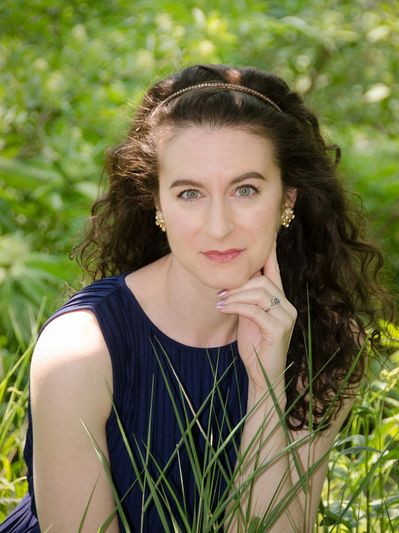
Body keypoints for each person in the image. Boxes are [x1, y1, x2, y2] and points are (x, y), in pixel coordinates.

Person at [0, 64, 395, 532]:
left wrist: (267, 382)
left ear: (288, 199)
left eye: (245, 189)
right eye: (190, 193)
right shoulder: (80, 352)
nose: (218, 226)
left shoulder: (325, 340)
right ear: (157, 203)